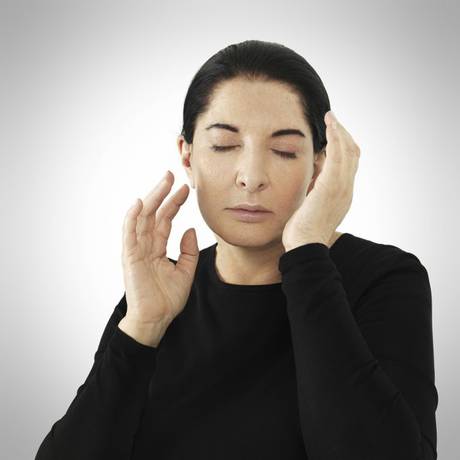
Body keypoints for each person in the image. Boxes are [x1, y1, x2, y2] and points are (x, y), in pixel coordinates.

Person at [35, 40, 438, 459]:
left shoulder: (384, 280)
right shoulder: (161, 293)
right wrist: (142, 328)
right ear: (187, 158)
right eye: (224, 145)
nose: (251, 176)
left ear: (319, 167)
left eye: (284, 151)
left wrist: (306, 253)